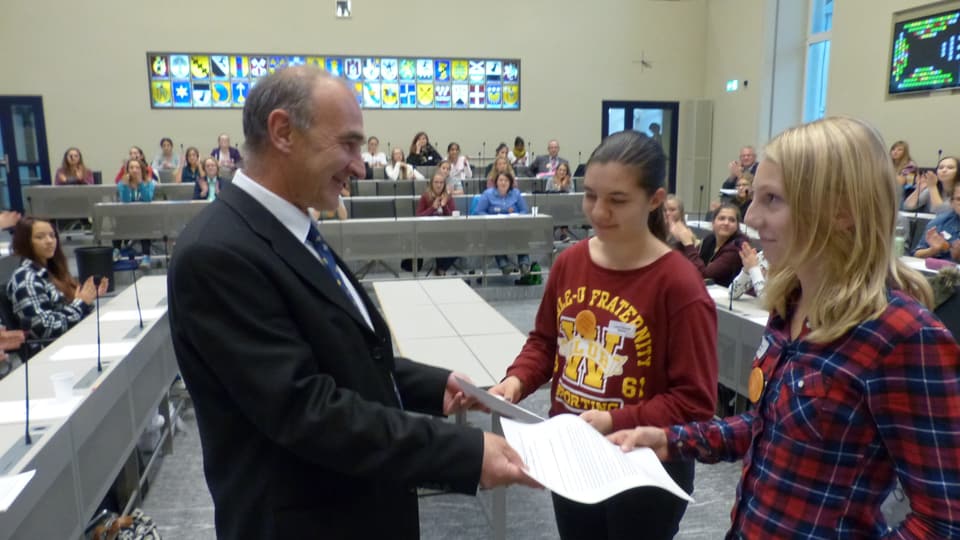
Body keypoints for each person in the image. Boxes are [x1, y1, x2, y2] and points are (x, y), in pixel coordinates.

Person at [166, 66, 533, 539]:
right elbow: (307, 410)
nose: (360, 166)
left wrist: (435, 385)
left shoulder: (288, 228)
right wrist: (464, 451)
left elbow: (346, 355)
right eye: (348, 144)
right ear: (283, 132)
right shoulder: (218, 254)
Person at [608, 116, 960, 538]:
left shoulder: (904, 337)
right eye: (754, 197)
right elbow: (769, 427)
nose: (751, 217)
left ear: (842, 212)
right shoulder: (790, 304)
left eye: (772, 200)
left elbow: (942, 520)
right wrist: (670, 439)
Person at [489, 130, 718, 540]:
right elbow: (545, 341)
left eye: (617, 200)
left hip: (644, 470)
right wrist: (516, 379)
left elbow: (695, 402)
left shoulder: (679, 285)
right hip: (575, 458)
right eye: (591, 195)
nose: (598, 212)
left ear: (654, 200)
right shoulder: (570, 262)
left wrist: (615, 418)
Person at [7, 217, 108, 348]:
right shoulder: (27, 278)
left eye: (52, 236)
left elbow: (71, 314)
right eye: (40, 237)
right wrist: (81, 303)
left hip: (73, 341)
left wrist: (88, 298)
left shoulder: (53, 271)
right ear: (25, 242)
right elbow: (44, 329)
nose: (49, 241)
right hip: (53, 351)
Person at [473, 171, 532, 278]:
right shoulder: (488, 194)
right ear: (496, 182)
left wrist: (516, 214)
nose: (503, 183)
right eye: (501, 180)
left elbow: (525, 210)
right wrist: (493, 218)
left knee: (523, 236)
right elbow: (479, 212)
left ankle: (524, 264)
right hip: (494, 228)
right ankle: (504, 265)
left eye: (506, 180)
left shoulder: (516, 193)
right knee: (495, 237)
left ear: (510, 183)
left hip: (513, 227)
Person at [672, 203, 746, 286]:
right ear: (713, 223)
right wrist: (681, 242)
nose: (726, 223)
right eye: (721, 218)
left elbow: (705, 275)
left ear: (737, 226)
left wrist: (688, 244)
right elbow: (687, 264)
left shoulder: (737, 247)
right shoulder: (710, 239)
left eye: (732, 220)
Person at [116, 158, 156, 265]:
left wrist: (141, 184)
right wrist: (125, 187)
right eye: (131, 167)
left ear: (142, 170)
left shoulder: (149, 182)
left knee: (144, 223)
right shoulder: (122, 184)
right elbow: (125, 201)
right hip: (127, 217)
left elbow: (147, 199)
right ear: (127, 170)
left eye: (137, 167)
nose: (134, 170)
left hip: (144, 217)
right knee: (118, 220)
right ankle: (116, 250)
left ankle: (146, 256)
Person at [417, 173, 458, 275]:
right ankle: (441, 270)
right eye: (436, 182)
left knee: (461, 243)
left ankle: (441, 268)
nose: (439, 185)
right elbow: (418, 217)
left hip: (446, 231)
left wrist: (444, 206)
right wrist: (433, 208)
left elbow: (453, 217)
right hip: (429, 233)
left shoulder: (448, 198)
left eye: (441, 182)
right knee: (441, 242)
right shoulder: (425, 197)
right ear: (431, 184)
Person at [912, 181, 960, 261]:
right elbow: (917, 254)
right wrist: (933, 250)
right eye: (959, 199)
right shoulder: (939, 222)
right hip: (941, 271)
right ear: (952, 203)